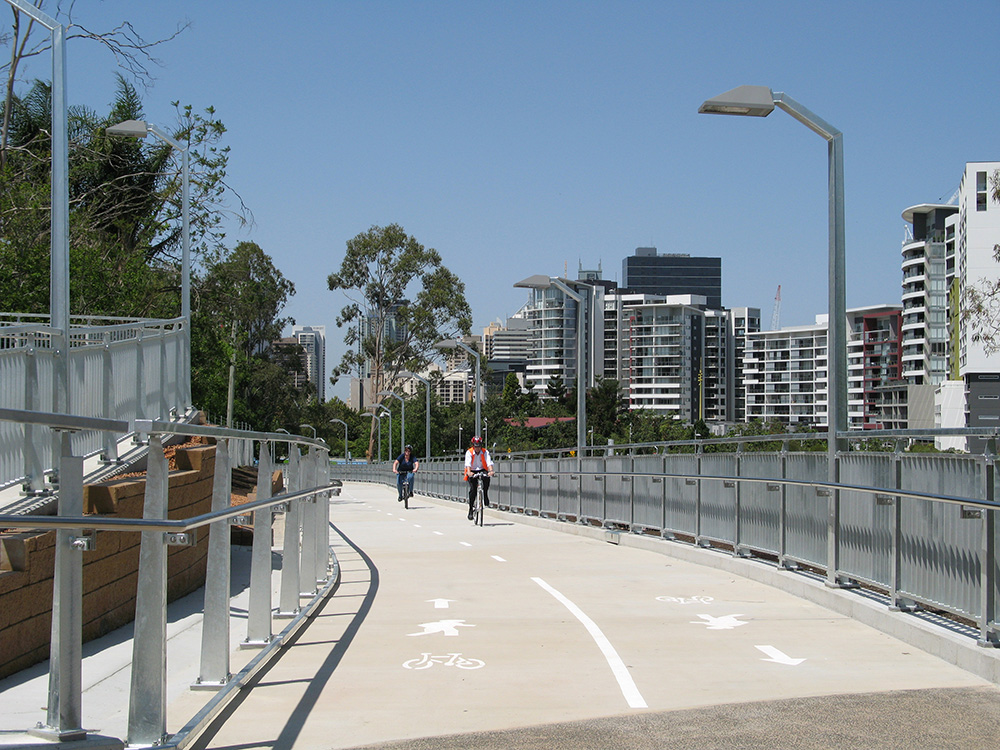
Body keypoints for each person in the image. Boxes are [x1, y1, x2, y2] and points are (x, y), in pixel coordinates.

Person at [463, 435, 494, 520]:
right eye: (476, 446)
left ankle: (485, 495)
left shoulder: (485, 452)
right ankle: (470, 510)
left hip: (482, 469)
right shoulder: (469, 452)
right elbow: (468, 464)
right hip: (472, 471)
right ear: (473, 445)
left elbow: (489, 462)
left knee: (487, 479)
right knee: (473, 489)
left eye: (479, 446)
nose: (477, 448)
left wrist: (491, 471)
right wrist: (469, 472)